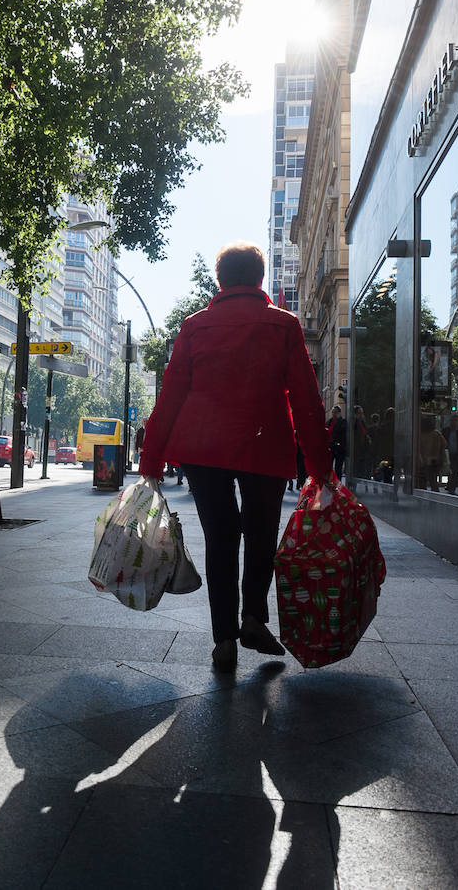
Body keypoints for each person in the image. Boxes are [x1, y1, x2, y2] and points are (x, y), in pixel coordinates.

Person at [139, 241, 331, 673]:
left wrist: (151, 462)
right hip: (265, 443)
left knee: (220, 538)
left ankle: (224, 638)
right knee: (261, 535)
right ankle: (253, 618)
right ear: (260, 278)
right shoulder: (284, 325)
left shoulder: (195, 326)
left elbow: (171, 396)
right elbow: (306, 400)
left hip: (205, 447)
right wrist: (320, 469)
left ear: (220, 279)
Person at [418, 414, 447, 492]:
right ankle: (435, 493)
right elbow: (444, 444)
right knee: (433, 479)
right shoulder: (436, 434)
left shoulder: (419, 434)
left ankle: (422, 493)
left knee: (422, 479)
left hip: (423, 460)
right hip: (434, 459)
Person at [326, 404, 347, 480]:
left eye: (335, 412)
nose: (334, 414)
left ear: (339, 413)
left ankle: (337, 483)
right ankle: (329, 483)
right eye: (333, 412)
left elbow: (342, 433)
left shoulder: (343, 422)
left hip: (339, 448)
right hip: (330, 447)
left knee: (338, 468)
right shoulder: (329, 422)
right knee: (328, 467)